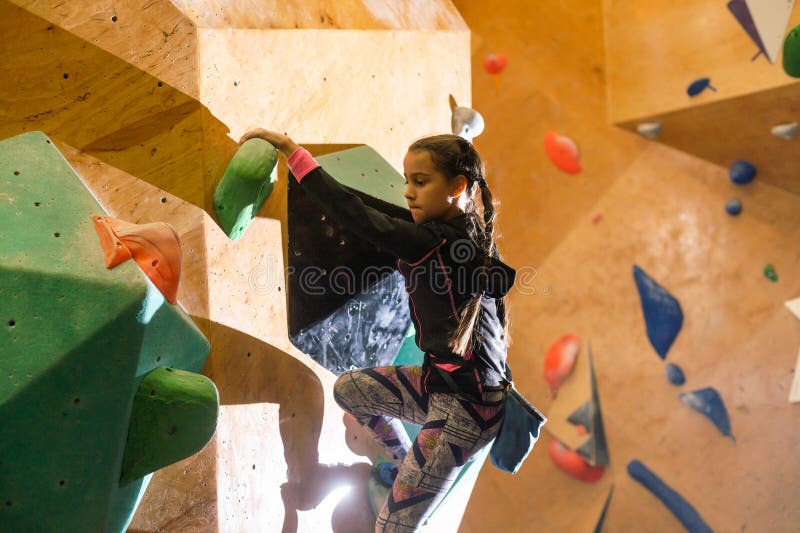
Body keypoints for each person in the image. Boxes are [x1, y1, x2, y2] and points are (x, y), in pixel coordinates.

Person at [239, 128, 516, 532]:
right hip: (441, 387)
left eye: (420, 182)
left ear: (457, 187)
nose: (408, 191)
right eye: (407, 181)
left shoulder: (445, 244)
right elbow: (370, 210)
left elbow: (360, 217)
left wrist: (293, 153)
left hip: (467, 411)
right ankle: (402, 467)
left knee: (392, 528)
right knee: (349, 391)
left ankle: (408, 484)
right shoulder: (451, 234)